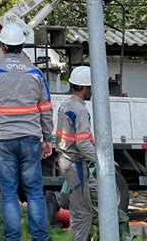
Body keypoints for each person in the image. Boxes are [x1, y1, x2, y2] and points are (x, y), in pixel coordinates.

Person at [0, 23, 53, 241]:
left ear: (3, 46)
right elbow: (46, 109)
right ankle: (40, 238)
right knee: (35, 192)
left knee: (8, 194)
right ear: (22, 45)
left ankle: (13, 239)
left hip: (3, 141)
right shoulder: (36, 73)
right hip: (31, 139)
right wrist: (48, 139)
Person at [56, 66, 98, 241]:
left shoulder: (65, 105)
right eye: (91, 88)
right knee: (82, 215)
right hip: (75, 164)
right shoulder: (80, 109)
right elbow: (81, 142)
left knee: (98, 194)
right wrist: (101, 161)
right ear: (85, 88)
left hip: (66, 160)